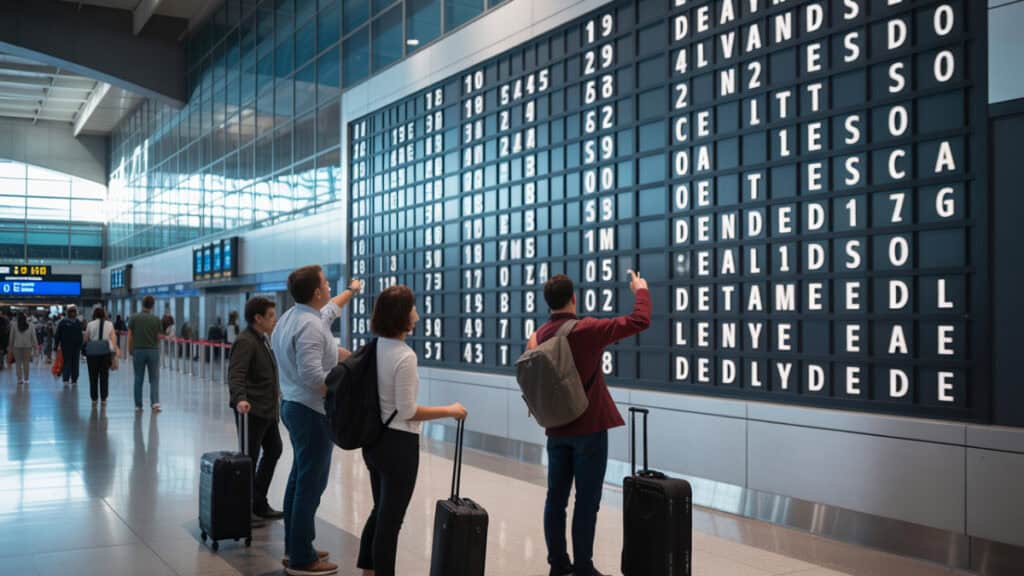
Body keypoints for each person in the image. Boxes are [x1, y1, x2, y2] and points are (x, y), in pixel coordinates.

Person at [528, 271, 651, 576]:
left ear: (548, 303)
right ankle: (583, 567)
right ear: (574, 299)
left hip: (556, 430)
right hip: (590, 428)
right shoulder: (587, 329)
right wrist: (641, 290)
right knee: (587, 501)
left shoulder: (538, 336)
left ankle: (558, 565)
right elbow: (639, 321)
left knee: (555, 500)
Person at [357, 285, 467, 576]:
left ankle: (367, 569)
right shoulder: (405, 356)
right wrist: (449, 410)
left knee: (379, 510)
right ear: (401, 315)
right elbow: (407, 411)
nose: (417, 315)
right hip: (399, 445)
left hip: (373, 441)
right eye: (413, 308)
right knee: (391, 521)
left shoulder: (374, 347)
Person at [272, 266, 361, 576]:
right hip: (309, 411)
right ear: (316, 292)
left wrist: (352, 291)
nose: (328, 286)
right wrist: (339, 390)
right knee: (311, 483)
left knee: (299, 478)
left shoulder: (293, 316)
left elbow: (331, 311)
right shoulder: (309, 325)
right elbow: (312, 374)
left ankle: (295, 545)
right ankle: (302, 558)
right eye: (325, 283)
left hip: (292, 405)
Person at [228, 297, 283, 520]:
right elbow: (236, 373)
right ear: (257, 318)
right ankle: (245, 507)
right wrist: (240, 398)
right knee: (249, 458)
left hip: (267, 409)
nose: (274, 320)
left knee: (274, 449)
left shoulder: (262, 339)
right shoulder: (246, 341)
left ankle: (258, 500)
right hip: (251, 411)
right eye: (270, 316)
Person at [128, 295, 163, 412]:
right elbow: (158, 337)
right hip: (153, 350)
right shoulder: (156, 319)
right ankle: (155, 403)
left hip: (138, 350)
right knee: (154, 377)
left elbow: (130, 335)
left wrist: (129, 349)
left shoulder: (134, 318)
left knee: (138, 377)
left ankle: (138, 404)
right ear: (152, 305)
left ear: (142, 304)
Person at [84, 306, 119, 405]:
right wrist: (114, 354)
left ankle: (94, 398)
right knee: (104, 376)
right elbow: (113, 340)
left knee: (93, 377)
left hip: (92, 354)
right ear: (104, 315)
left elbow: (86, 339)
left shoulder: (90, 324)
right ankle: (104, 399)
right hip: (105, 353)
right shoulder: (110, 324)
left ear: (94, 315)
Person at [54, 305, 85, 387]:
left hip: (66, 346)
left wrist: (56, 345)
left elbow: (58, 335)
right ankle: (74, 379)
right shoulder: (77, 322)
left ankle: (66, 379)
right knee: (75, 362)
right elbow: (80, 336)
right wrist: (82, 346)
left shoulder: (63, 322)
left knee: (66, 362)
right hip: (76, 346)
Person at [9, 312, 38, 385]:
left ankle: (19, 379)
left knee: (18, 363)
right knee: (26, 363)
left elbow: (11, 337)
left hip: (17, 346)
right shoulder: (31, 325)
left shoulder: (14, 325)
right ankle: (26, 379)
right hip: (27, 346)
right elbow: (34, 337)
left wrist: (10, 346)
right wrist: (35, 346)